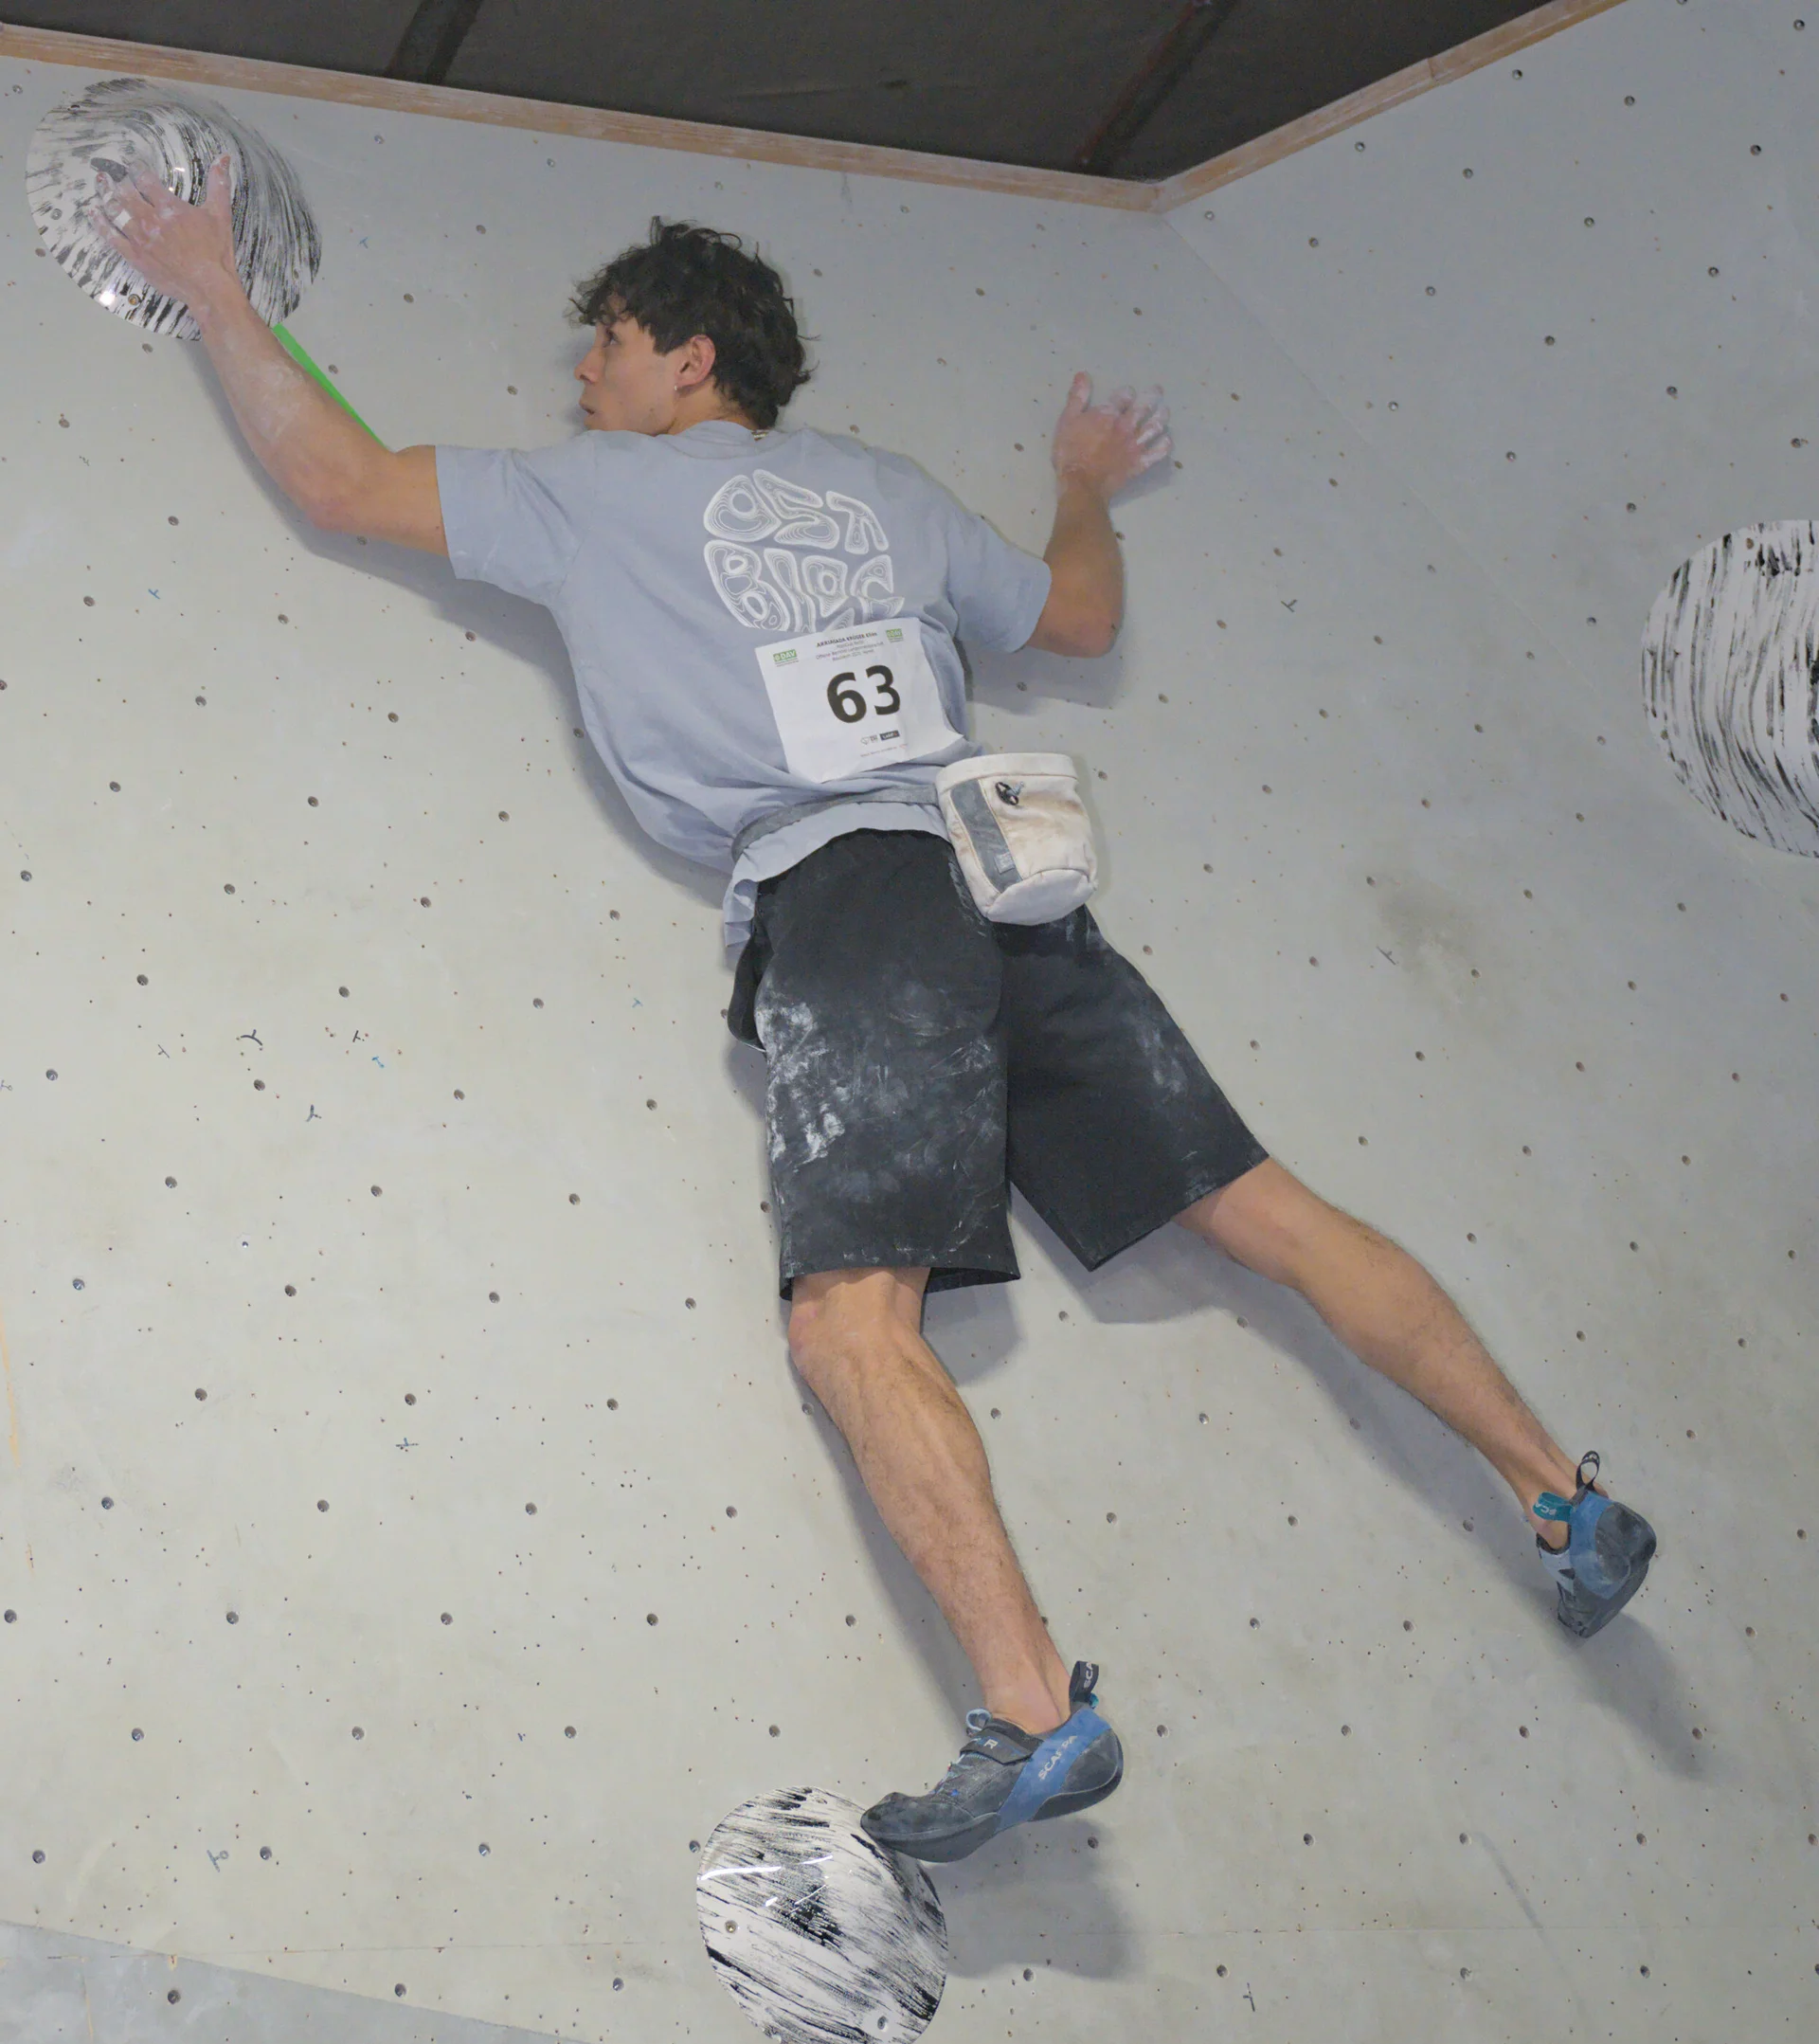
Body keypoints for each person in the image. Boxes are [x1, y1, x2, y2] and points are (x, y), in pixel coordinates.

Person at [95, 168, 1657, 1868]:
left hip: (852, 897)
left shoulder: (597, 495)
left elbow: (337, 480)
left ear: (688, 363)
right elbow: (1077, 617)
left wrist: (217, 291)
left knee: (850, 1323)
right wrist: (1078, 487)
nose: (580, 382)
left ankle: (1035, 1711)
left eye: (604, 347)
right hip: (1008, 885)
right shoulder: (891, 498)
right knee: (1258, 1210)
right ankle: (1560, 1494)